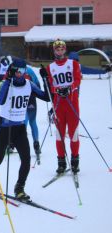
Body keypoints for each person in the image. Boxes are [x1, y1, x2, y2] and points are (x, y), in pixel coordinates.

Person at [0, 59, 50, 200]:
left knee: (25, 160)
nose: (19, 73)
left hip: (19, 128)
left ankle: (19, 188)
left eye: (22, 71)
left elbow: (47, 97)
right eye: (16, 71)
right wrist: (8, 80)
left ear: (26, 71)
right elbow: (0, 101)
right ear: (12, 71)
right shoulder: (5, 84)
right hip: (4, 128)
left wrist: (45, 79)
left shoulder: (29, 85)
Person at [40, 39, 82, 174]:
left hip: (72, 104)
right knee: (59, 135)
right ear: (54, 51)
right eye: (57, 49)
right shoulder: (50, 67)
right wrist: (46, 80)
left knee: (74, 134)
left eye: (62, 49)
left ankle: (75, 161)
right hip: (58, 105)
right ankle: (61, 162)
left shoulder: (73, 63)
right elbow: (51, 87)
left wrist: (69, 89)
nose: (60, 51)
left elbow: (77, 79)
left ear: (65, 50)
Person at [24, 66, 42, 156]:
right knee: (32, 122)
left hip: (21, 101)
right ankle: (36, 144)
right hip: (31, 100)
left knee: (23, 123)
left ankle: (19, 145)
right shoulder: (30, 69)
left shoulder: (14, 68)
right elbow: (38, 85)